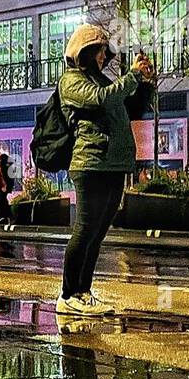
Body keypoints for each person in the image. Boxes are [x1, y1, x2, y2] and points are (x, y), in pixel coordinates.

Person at [57, 26, 156, 316]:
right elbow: (101, 98)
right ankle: (67, 294)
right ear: (85, 52)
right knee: (86, 229)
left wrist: (146, 82)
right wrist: (132, 76)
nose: (103, 57)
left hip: (113, 164)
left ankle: (83, 292)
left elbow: (130, 106)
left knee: (98, 232)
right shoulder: (71, 81)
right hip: (91, 163)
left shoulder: (101, 79)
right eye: (99, 51)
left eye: (104, 52)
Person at [0, 152, 15, 225]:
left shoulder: (3, 166)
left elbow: (1, 177)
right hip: (7, 187)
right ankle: (7, 217)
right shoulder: (10, 166)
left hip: (2, 187)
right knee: (3, 200)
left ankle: (4, 216)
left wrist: (3, 186)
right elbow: (11, 178)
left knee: (1, 201)